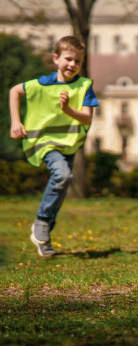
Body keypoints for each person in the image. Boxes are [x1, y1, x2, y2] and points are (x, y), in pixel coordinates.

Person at [8, 35, 98, 257]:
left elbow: (87, 118)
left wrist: (68, 110)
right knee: (62, 175)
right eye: (68, 59)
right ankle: (41, 221)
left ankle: (43, 238)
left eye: (78, 61)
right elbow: (14, 91)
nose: (72, 65)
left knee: (61, 187)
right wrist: (16, 122)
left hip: (68, 145)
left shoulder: (84, 86)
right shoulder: (41, 84)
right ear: (56, 58)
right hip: (44, 143)